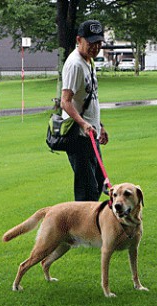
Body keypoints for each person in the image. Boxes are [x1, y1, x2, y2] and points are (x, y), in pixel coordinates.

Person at [60, 20, 109, 201]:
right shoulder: (75, 65)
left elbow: (89, 99)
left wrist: (99, 125)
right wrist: (84, 124)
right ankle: (82, 229)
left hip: (90, 134)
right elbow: (65, 102)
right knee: (87, 192)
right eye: (91, 43)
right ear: (79, 40)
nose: (95, 47)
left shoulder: (89, 62)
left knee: (99, 182)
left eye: (98, 43)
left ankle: (90, 227)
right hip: (78, 137)